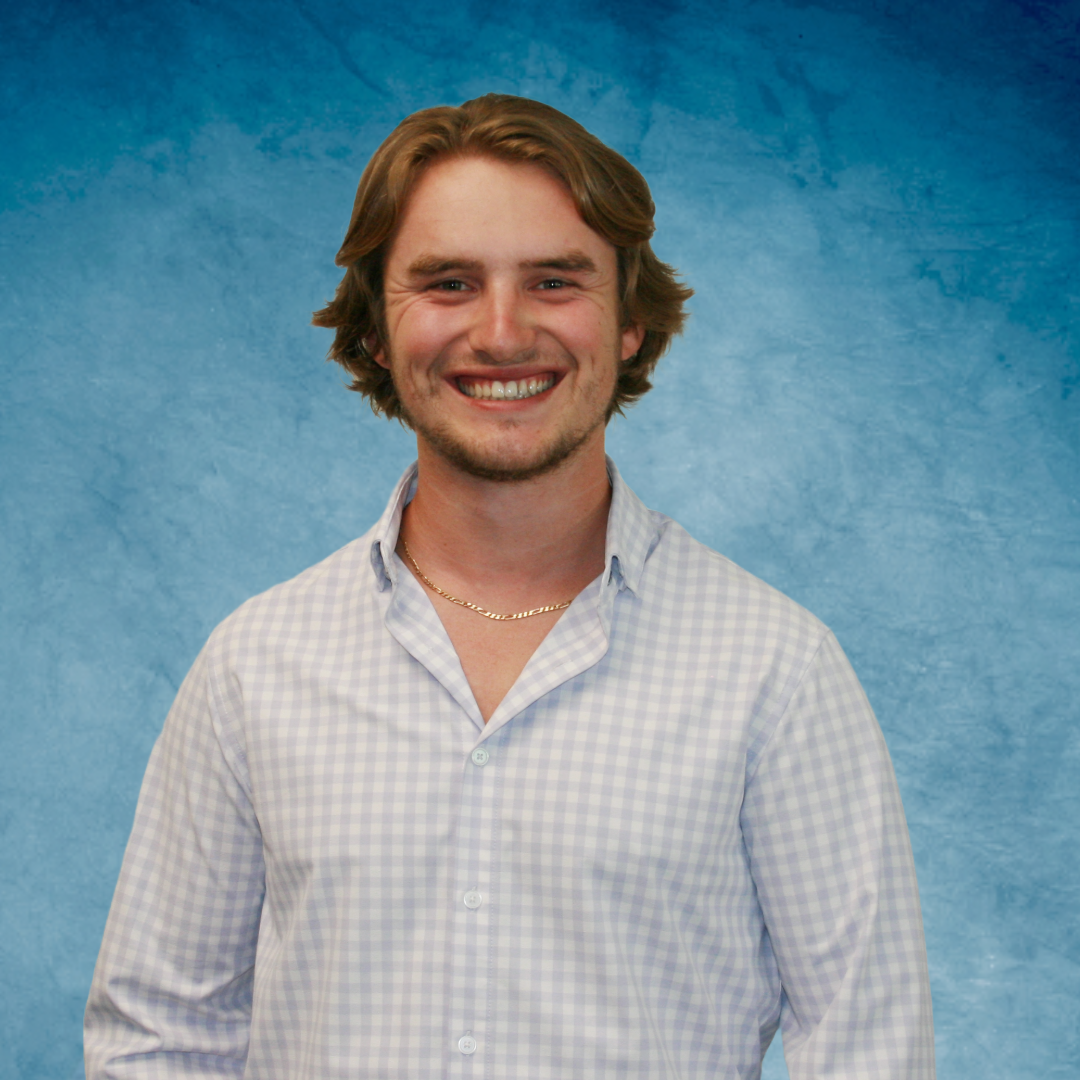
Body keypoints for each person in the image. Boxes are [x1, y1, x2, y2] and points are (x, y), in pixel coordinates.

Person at [85, 94, 934, 1079]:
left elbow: (869, 1048)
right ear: (374, 329)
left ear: (628, 323)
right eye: (447, 283)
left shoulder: (775, 671)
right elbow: (158, 1037)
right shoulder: (254, 667)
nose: (501, 332)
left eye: (554, 281)